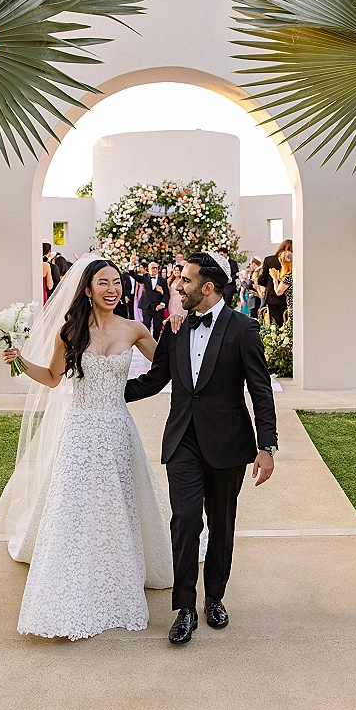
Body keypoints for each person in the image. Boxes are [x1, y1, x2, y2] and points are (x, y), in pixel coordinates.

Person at [1, 256, 173, 640]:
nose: (112, 289)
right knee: (73, 505)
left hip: (117, 429)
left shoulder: (135, 329)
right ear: (88, 289)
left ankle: (118, 574)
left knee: (118, 502)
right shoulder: (71, 332)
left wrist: (178, 327)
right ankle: (67, 583)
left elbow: (170, 364)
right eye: (103, 283)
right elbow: (51, 378)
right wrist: (20, 361)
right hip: (79, 429)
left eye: (117, 282)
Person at [125, 252, 278, 645]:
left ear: (207, 287)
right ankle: (185, 607)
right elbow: (155, 379)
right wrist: (105, 392)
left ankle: (215, 598)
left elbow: (260, 391)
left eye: (186, 281)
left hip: (228, 444)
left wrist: (267, 446)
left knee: (222, 524)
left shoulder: (244, 329)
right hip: (182, 441)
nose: (178, 286)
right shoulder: (173, 327)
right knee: (186, 519)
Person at [129, 255, 169, 340]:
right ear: (148, 269)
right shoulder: (144, 277)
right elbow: (132, 274)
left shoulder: (163, 280)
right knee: (146, 325)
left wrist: (162, 304)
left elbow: (166, 294)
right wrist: (132, 262)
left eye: (156, 268)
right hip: (146, 306)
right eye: (152, 268)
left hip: (158, 308)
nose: (154, 269)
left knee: (157, 328)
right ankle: (147, 344)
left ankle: (155, 346)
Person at [257, 239, 292, 326]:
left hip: (274, 299)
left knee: (275, 325)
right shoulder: (294, 260)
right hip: (289, 299)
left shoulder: (269, 260)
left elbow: (261, 280)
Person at [270, 251, 293, 324]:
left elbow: (278, 292)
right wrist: (279, 278)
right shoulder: (292, 275)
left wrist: (274, 279)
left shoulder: (287, 277)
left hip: (291, 308)